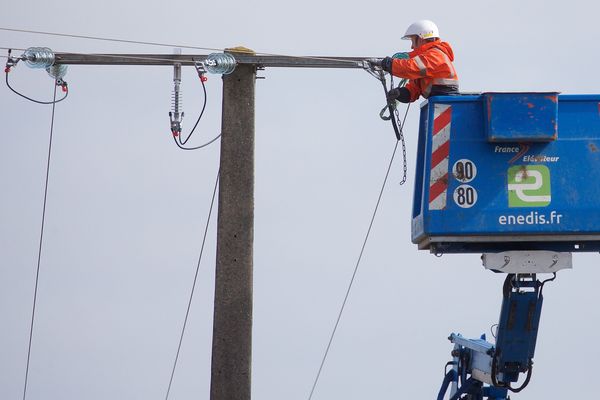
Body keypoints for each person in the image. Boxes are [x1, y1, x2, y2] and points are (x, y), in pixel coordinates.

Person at [373, 20, 459, 103]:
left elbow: (410, 67)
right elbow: (415, 88)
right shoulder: (428, 58)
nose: (412, 46)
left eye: (412, 41)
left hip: (445, 102)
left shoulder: (435, 55)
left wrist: (391, 64)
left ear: (421, 39)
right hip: (439, 101)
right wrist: (401, 93)